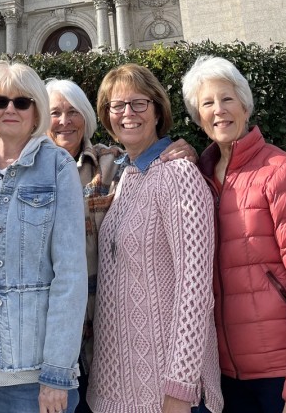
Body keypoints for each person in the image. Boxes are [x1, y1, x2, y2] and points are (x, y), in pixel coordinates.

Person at [181, 55, 286, 413]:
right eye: (207, 103)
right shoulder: (196, 180)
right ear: (198, 117)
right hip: (226, 380)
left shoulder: (281, 172)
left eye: (227, 98)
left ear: (246, 106)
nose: (219, 110)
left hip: (284, 376)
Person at [45, 78, 196, 413]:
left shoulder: (113, 164)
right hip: (49, 343)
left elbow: (152, 161)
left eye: (73, 111)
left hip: (106, 341)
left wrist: (186, 150)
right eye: (54, 112)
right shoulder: (26, 171)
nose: (64, 121)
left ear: (87, 117)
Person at [87, 63, 222, 413]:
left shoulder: (178, 174)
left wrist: (181, 385)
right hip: (116, 392)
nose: (127, 113)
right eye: (117, 105)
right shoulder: (125, 176)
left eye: (139, 103)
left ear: (158, 110)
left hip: (168, 395)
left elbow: (195, 288)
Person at [0, 61, 87, 413]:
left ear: (37, 110)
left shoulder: (57, 165)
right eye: (0, 101)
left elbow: (70, 275)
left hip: (31, 374)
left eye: (22, 101)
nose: (10, 109)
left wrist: (57, 373)